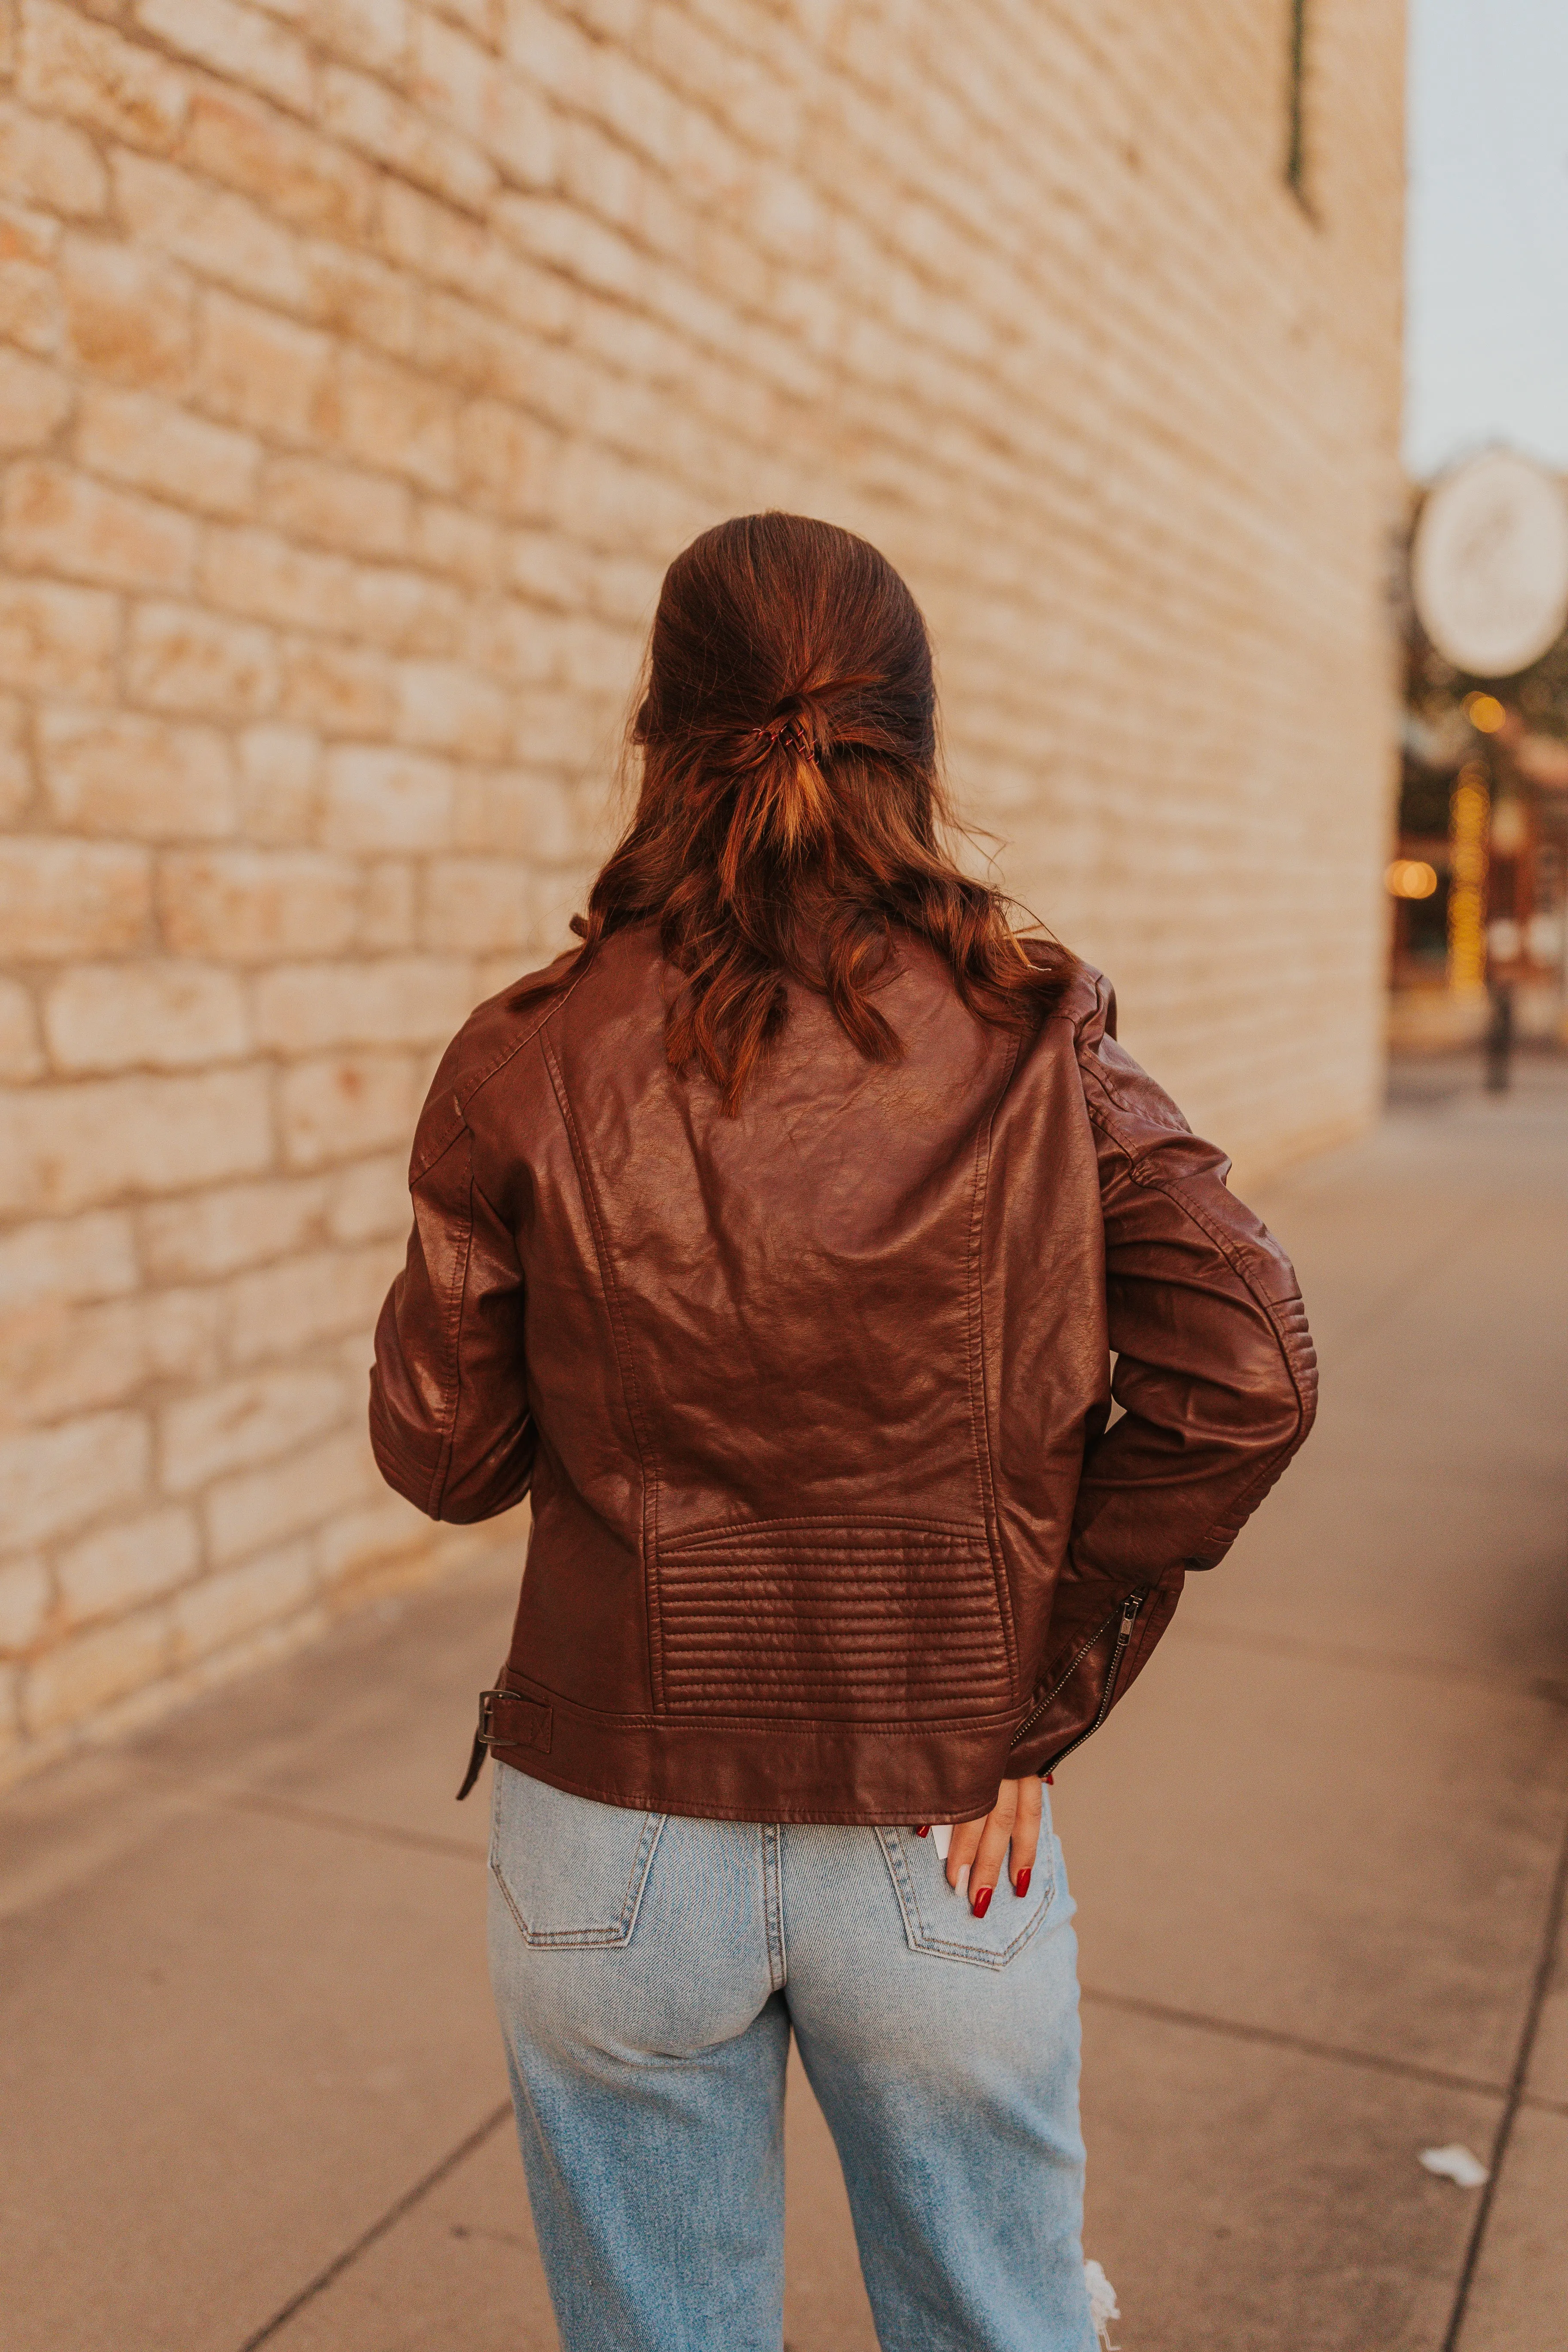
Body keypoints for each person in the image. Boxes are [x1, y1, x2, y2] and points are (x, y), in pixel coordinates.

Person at [370, 511, 1317, 2352]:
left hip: (613, 1836)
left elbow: (444, 1452)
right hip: (939, 1815)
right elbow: (1249, 1368)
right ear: (914, 745)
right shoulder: (1038, 1039)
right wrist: (1036, 1680)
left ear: (661, 732)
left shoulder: (530, 1050)